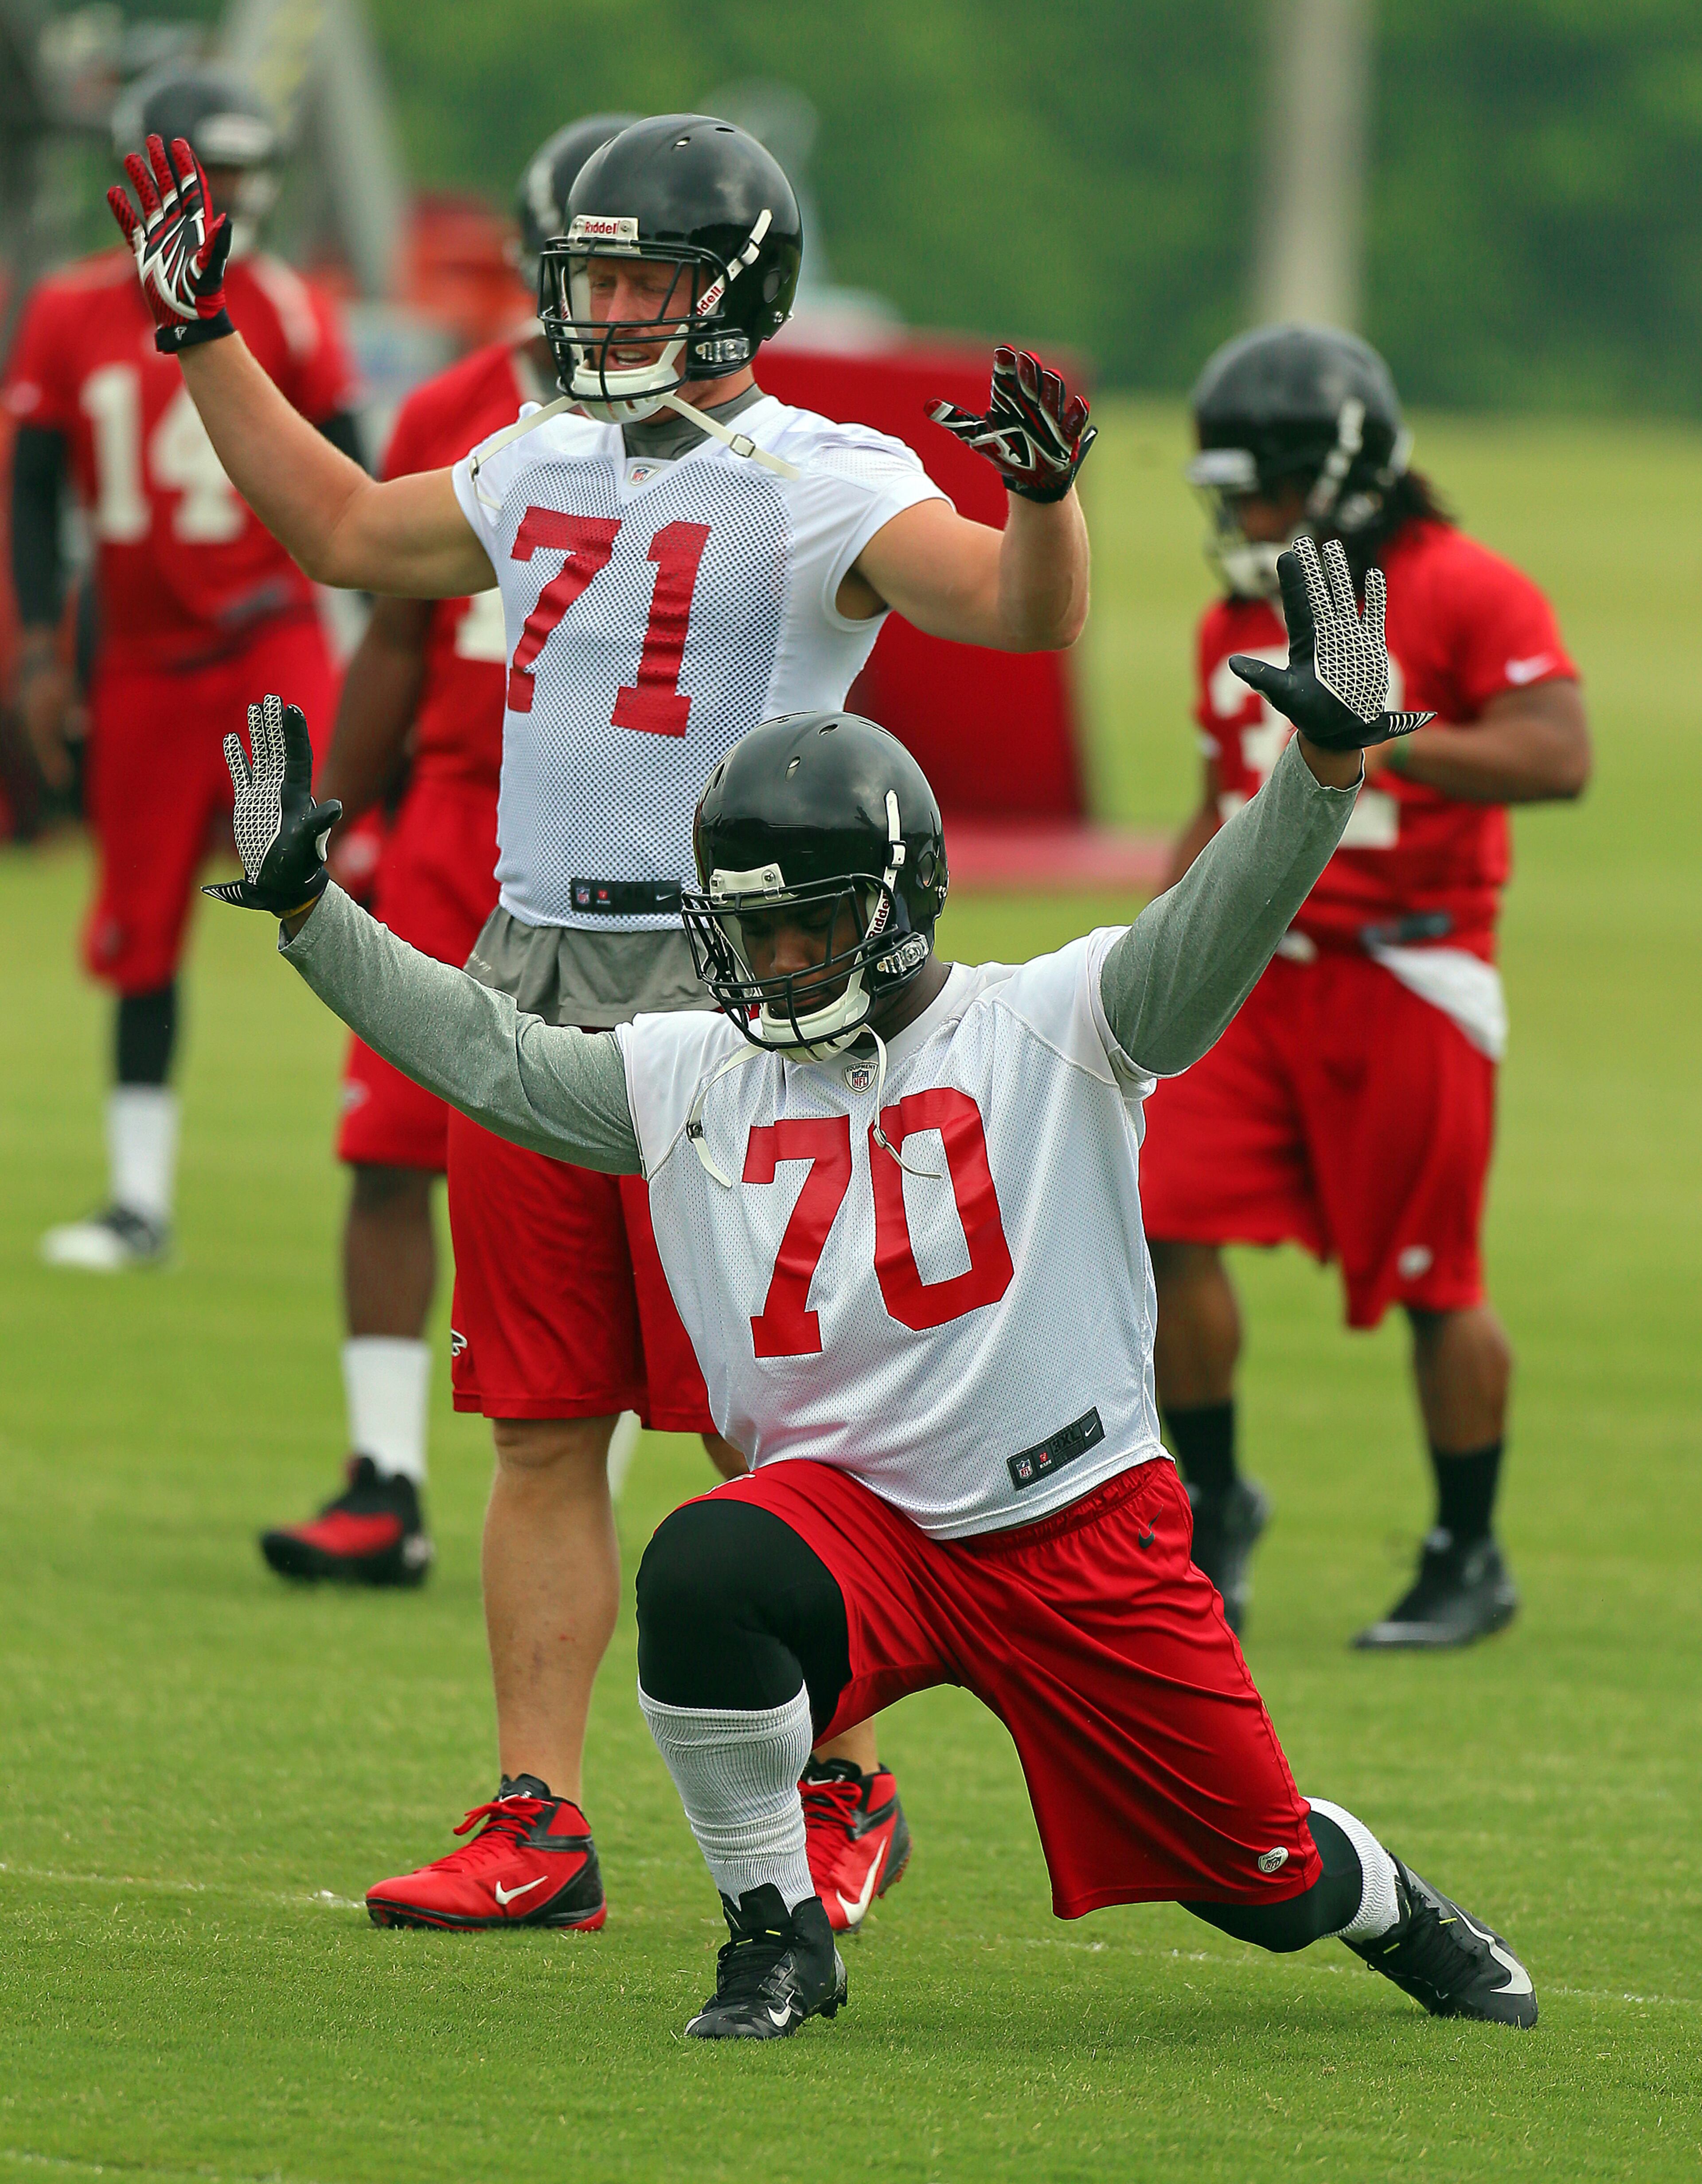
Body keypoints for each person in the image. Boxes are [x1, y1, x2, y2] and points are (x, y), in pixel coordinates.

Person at [204, 535, 1536, 2043]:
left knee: (1261, 1882)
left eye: (806, 922)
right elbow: (488, 1054)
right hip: (851, 1527)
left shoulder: (1057, 1024)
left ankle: (1389, 1906)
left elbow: (1216, 923)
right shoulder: (689, 1071)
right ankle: (775, 1938)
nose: (771, 959)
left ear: (898, 900)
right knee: (704, 1567)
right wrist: (320, 922)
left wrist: (1319, 768)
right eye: (748, 926)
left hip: (1075, 1528)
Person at [108, 113, 1092, 1934]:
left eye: (648, 279)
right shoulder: (537, 453)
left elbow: (1021, 616)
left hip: (738, 996)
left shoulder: (826, 474)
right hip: (528, 964)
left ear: (740, 297)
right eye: (596, 275)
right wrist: (204, 339)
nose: (610, 306)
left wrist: (1048, 500)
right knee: (542, 1419)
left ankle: (837, 1768)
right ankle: (537, 1815)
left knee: (756, 1418)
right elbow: (339, 524)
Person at [1143, 324, 1590, 1646]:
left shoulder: (1466, 589)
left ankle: (1469, 1552)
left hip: (1406, 968)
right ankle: (1215, 1507)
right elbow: (1218, 797)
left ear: (1332, 477)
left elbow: (1558, 754)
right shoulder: (1235, 610)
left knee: (1433, 1280)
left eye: (1256, 483)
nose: (1236, 513)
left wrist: (1377, 740)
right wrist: (1159, 934)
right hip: (1253, 975)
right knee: (1162, 1221)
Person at [257, 116, 636, 1593]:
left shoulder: (739, 446)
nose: (602, 307)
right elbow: (397, 629)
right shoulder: (464, 412)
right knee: (387, 1148)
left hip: (618, 850)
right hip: (456, 823)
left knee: (648, 1174)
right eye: (583, 272)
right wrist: (336, 820)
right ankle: (386, 1474)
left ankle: (602, 1472)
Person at [7, 64, 357, 1269]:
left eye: (255, 171)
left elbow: (352, 481)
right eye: (225, 168)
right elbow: (38, 477)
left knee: (303, 870)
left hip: (263, 640)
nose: (244, 194)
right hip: (145, 663)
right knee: (140, 923)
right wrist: (46, 641)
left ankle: (396, 1140)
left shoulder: (290, 305)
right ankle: (139, 1199)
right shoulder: (71, 309)